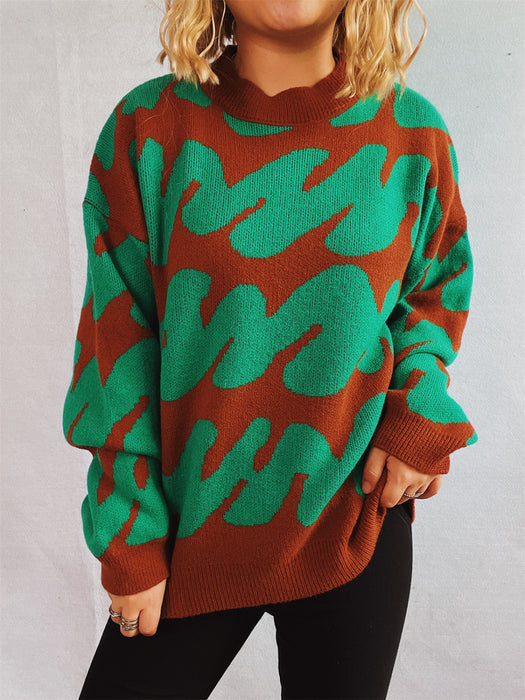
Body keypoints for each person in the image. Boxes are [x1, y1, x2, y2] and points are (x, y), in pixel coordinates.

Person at [62, 0, 478, 697]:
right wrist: (129, 531)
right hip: (186, 529)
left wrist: (416, 412)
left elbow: (432, 291)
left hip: (351, 525)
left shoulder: (413, 133)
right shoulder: (149, 126)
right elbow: (116, 342)